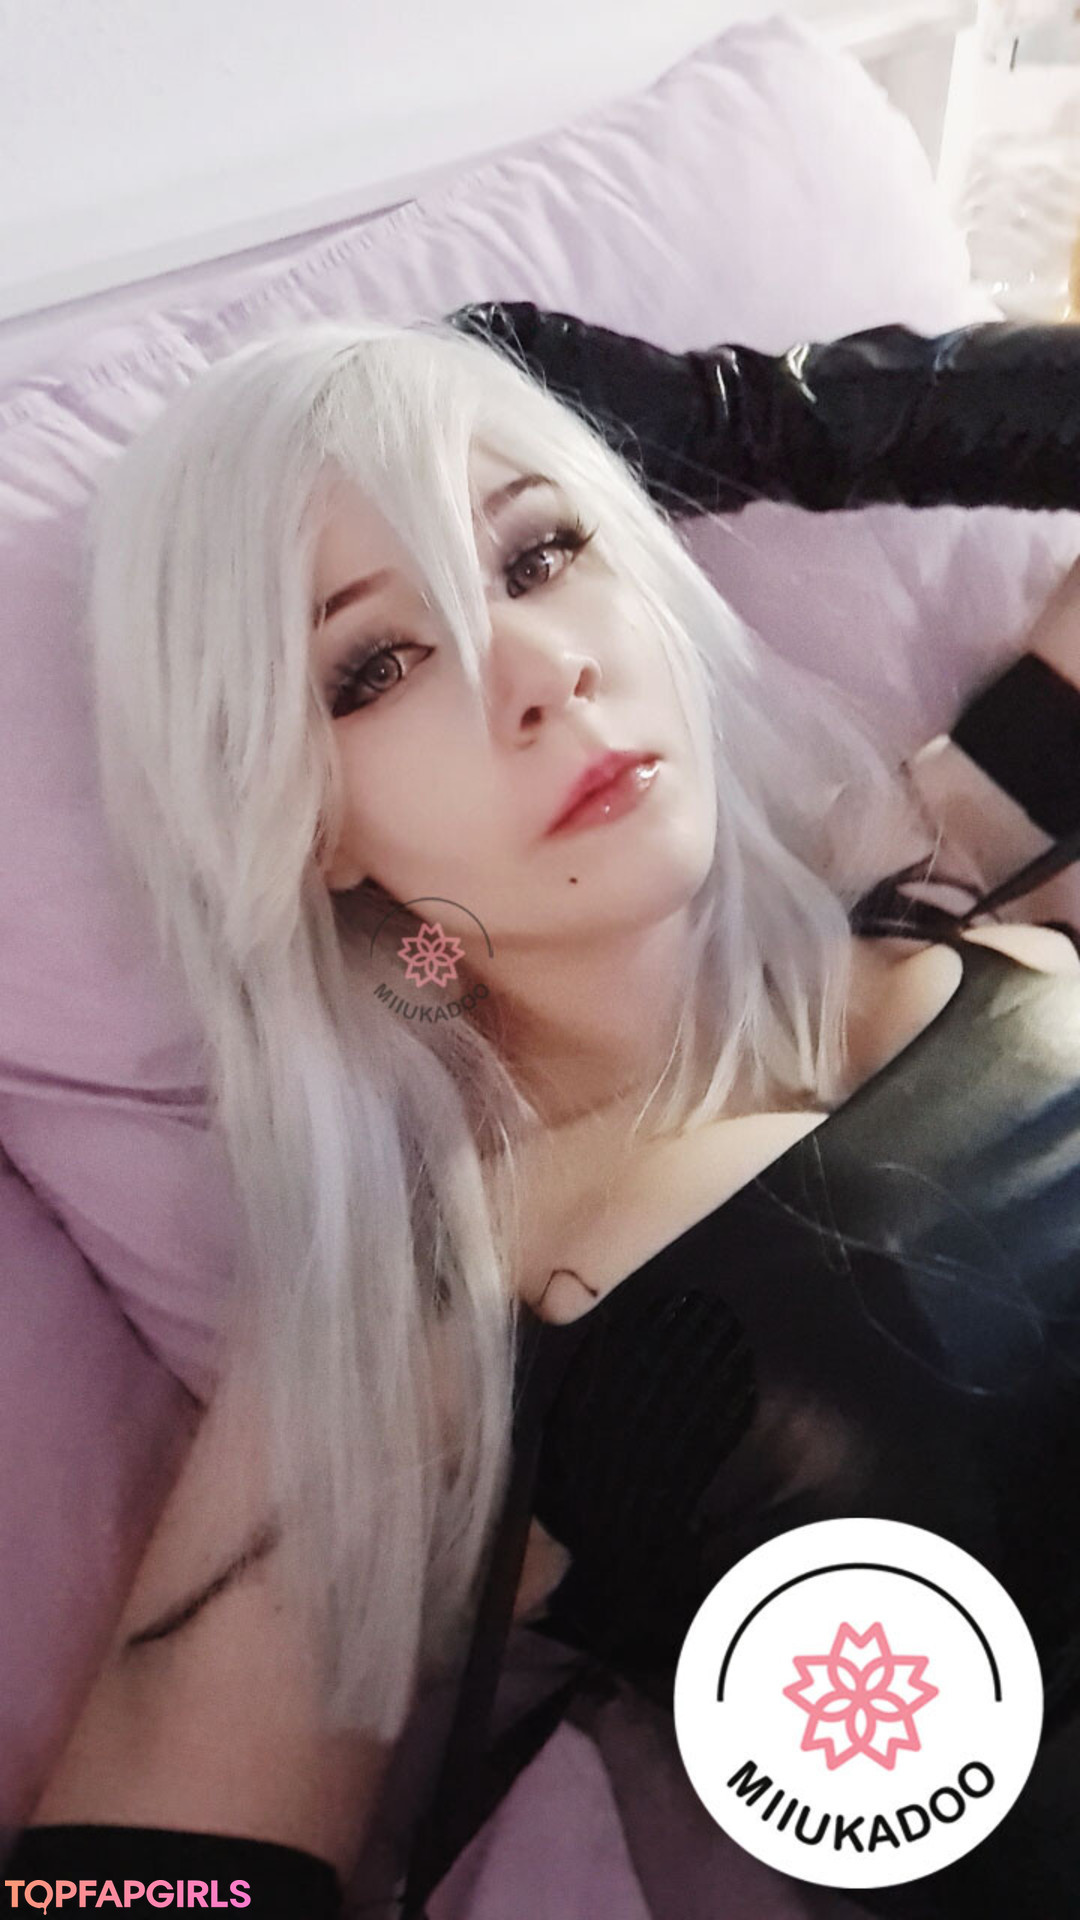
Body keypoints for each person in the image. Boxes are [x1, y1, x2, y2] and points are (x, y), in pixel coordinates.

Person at [7, 314, 1080, 1920]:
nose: (536, 673)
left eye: (542, 553)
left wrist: (738, 412)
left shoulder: (927, 864)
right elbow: (123, 1892)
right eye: (377, 667)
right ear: (309, 827)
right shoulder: (421, 1310)